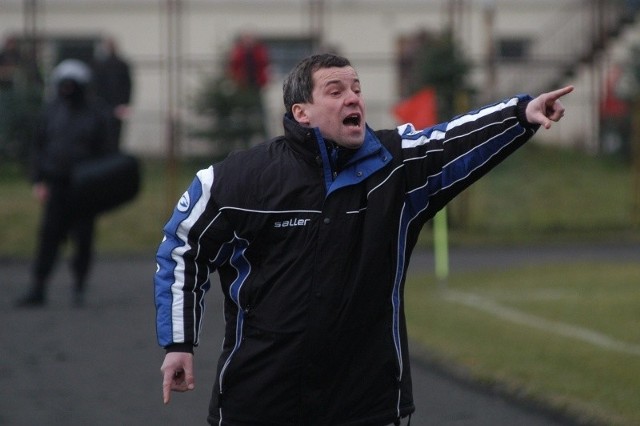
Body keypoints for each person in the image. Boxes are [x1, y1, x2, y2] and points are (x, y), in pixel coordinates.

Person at [155, 53, 572, 425]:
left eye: (356, 89)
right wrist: (178, 342)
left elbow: (450, 140)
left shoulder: (394, 166)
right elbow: (181, 246)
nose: (353, 98)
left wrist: (520, 114)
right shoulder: (242, 179)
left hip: (366, 402)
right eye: (335, 91)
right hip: (260, 399)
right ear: (301, 112)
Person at [15, 59, 114, 308]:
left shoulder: (97, 112)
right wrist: (38, 179)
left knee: (83, 238)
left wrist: (100, 184)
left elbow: (107, 151)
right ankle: (38, 287)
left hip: (85, 187)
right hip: (56, 184)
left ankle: (79, 287)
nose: (67, 89)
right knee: (49, 235)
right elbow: (39, 146)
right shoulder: (51, 111)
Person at [92, 37, 133, 150]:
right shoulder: (99, 65)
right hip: (104, 105)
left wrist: (125, 103)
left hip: (116, 105)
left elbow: (127, 85)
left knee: (116, 132)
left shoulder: (121, 65)